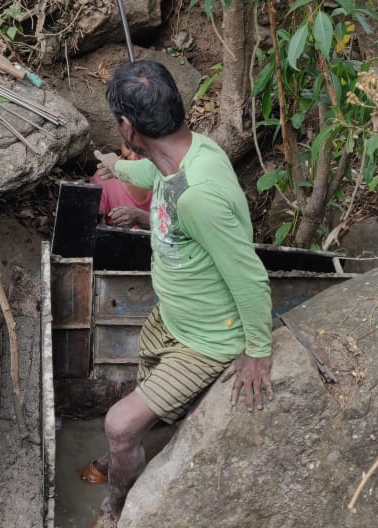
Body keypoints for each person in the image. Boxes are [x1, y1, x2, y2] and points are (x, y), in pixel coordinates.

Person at [83, 60, 275, 528]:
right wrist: (119, 172)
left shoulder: (198, 195)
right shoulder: (189, 154)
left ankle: (116, 508)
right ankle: (126, 455)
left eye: (117, 125)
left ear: (128, 127)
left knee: (118, 423)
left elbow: (249, 276)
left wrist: (257, 351)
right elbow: (157, 180)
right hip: (171, 318)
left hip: (206, 340)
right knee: (140, 394)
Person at [90, 144, 151, 229]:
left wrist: (141, 217)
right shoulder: (105, 176)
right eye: (128, 146)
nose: (133, 157)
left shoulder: (166, 175)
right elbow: (89, 224)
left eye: (142, 150)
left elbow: (174, 226)